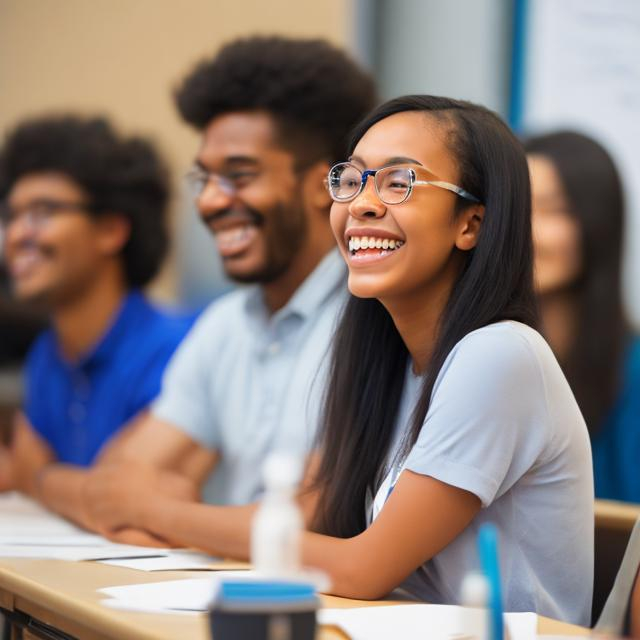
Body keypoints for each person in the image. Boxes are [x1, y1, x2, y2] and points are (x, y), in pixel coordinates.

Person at [85, 95, 594, 625]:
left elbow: (363, 568)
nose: (362, 204)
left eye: (399, 183)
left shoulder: (499, 354)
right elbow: (311, 520)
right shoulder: (391, 364)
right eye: (350, 180)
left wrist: (153, 510)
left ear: (471, 224)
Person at [63, 36, 375, 537]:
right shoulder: (225, 323)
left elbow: (311, 522)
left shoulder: (374, 316)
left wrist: (159, 512)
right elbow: (112, 486)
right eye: (203, 178)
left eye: (239, 175)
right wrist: (154, 505)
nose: (209, 202)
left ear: (324, 186)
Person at [0, 116, 194, 520]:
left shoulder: (179, 348)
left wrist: (38, 479)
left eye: (43, 212)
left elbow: (114, 501)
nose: (17, 235)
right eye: (11, 216)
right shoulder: (46, 354)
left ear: (110, 230)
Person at [525, 131, 640, 502]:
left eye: (553, 210)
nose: (526, 231)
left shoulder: (632, 372)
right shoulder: (475, 359)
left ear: (597, 225)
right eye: (516, 210)